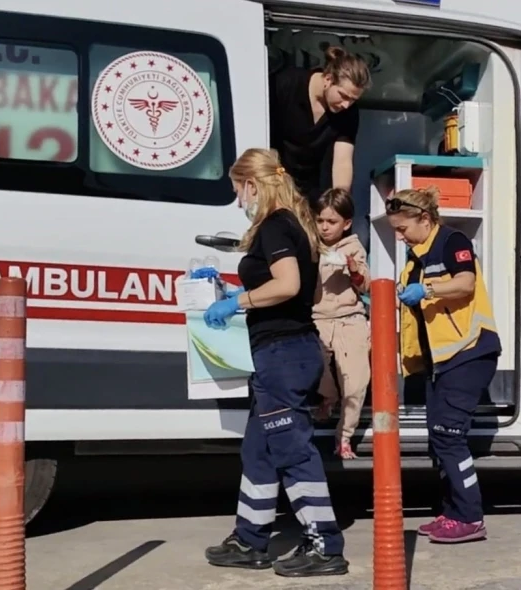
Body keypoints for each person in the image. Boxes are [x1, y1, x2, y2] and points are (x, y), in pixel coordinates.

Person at [203, 148, 349, 577]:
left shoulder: (275, 225)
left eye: (238, 190)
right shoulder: (298, 227)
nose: (238, 201)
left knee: (291, 450)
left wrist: (240, 301)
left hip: (282, 353)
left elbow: (289, 285)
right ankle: (250, 539)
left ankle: (325, 544)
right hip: (288, 348)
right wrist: (237, 292)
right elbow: (310, 294)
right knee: (260, 449)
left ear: (253, 185)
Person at [385, 187, 501, 544]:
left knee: (449, 435)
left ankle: (469, 517)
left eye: (403, 228)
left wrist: (429, 291)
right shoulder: (414, 259)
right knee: (439, 438)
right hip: (443, 359)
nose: (398, 235)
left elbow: (465, 283)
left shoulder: (453, 240)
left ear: (424, 218)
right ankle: (451, 512)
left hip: (470, 350)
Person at [269, 46, 372, 208]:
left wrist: (339, 204)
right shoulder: (286, 84)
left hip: (312, 191)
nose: (346, 104)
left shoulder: (349, 113)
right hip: (274, 181)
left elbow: (343, 161)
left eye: (353, 100)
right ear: (328, 80)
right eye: (344, 96)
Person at [311, 188, 371, 460]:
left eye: (331, 222)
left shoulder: (353, 247)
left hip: (349, 319)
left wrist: (354, 270)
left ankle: (344, 437)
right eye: (320, 220)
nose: (324, 227)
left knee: (355, 383)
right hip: (318, 319)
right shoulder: (310, 245)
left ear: (346, 224)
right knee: (317, 372)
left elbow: (366, 285)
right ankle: (328, 397)